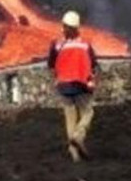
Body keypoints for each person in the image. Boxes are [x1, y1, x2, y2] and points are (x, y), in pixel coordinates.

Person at [47, 10, 99, 162]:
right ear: (77, 28)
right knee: (88, 112)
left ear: (63, 26)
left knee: (70, 118)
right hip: (81, 85)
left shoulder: (56, 45)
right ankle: (78, 136)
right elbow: (93, 64)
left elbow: (51, 64)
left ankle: (74, 153)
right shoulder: (85, 45)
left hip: (63, 86)